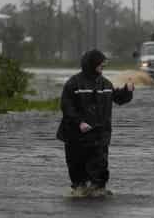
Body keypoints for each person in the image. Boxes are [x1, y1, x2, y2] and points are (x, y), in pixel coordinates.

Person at [56, 49, 134, 197]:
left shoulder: (105, 84)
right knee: (76, 165)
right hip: (76, 135)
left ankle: (98, 190)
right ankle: (79, 189)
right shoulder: (74, 84)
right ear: (91, 64)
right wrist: (79, 123)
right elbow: (67, 107)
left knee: (100, 164)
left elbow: (119, 98)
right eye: (101, 64)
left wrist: (127, 90)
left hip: (100, 134)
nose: (103, 66)